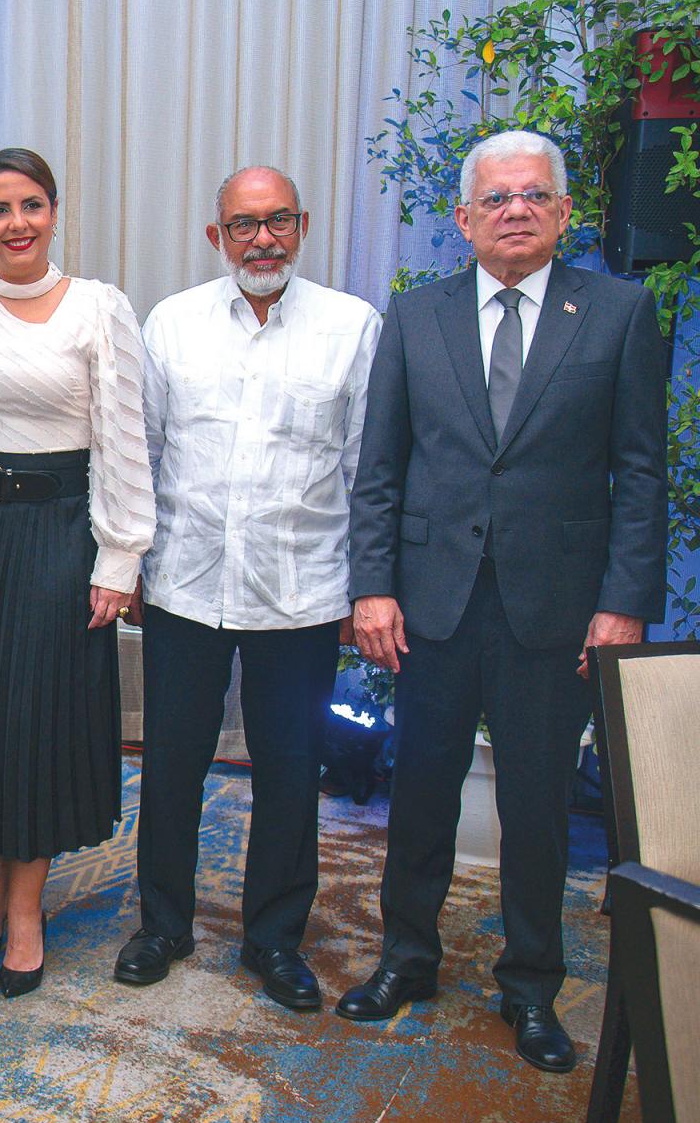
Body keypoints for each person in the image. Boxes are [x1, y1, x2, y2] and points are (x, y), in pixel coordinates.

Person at [343, 129, 667, 1072]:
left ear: (565, 212)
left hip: (558, 611)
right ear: (464, 218)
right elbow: (380, 469)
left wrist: (623, 605)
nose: (515, 209)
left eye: (534, 195)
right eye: (496, 197)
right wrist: (372, 586)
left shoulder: (617, 312)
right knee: (420, 797)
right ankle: (407, 957)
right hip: (433, 603)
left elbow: (640, 473)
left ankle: (531, 987)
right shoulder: (415, 317)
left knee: (537, 807)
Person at [114, 166, 380, 1009]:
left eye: (278, 222)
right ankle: (162, 923)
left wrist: (362, 589)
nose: (261, 240)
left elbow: (365, 467)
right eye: (243, 225)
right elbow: (143, 455)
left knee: (291, 770)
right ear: (215, 236)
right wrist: (130, 566)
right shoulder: (174, 324)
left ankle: (274, 940)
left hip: (300, 591)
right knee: (173, 764)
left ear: (302, 226)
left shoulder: (352, 326)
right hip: (186, 584)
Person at [0, 147, 154, 997]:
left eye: (33, 205)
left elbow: (124, 435)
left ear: (55, 212)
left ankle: (23, 912)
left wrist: (121, 554)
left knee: (34, 721)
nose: (18, 223)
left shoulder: (99, 306)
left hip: (57, 538)